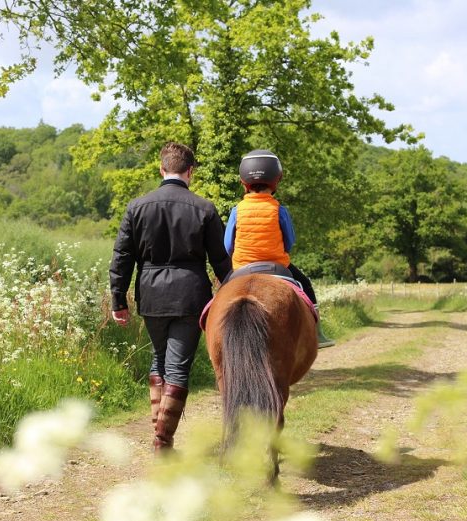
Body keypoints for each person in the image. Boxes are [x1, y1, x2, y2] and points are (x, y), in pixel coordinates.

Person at [109, 141, 231, 453]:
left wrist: (118, 300)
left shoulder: (136, 207)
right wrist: (232, 291)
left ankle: (161, 436)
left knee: (159, 360)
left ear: (161, 169)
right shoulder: (204, 208)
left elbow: (122, 257)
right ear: (191, 171)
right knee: (177, 367)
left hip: (151, 294)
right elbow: (220, 260)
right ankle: (162, 442)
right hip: (191, 295)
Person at [224, 149, 335, 349]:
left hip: (242, 266)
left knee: (219, 296)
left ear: (243, 182)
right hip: (277, 266)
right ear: (277, 179)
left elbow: (227, 245)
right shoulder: (279, 210)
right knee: (305, 285)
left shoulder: (236, 211)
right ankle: (317, 334)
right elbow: (290, 241)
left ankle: (214, 335)